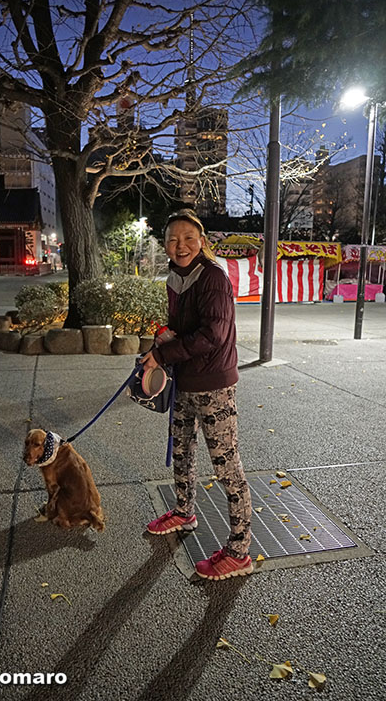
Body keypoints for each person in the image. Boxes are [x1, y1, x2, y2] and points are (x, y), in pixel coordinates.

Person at [141, 208, 252, 581]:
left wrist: (163, 355)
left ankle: (239, 551)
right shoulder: (176, 276)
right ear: (165, 245)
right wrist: (165, 337)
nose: (181, 245)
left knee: (226, 467)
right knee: (182, 451)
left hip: (213, 384)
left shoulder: (213, 277)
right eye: (173, 239)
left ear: (201, 241)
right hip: (185, 380)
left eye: (189, 238)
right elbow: (185, 327)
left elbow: (213, 335)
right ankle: (184, 512)